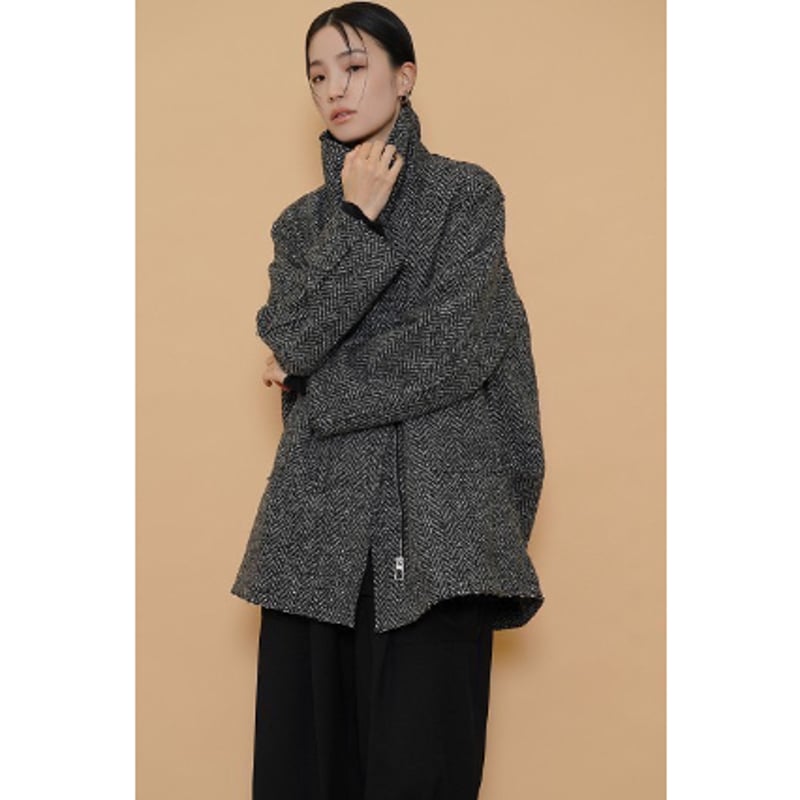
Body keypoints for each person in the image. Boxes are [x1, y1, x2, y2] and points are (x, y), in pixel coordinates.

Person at [231, 3, 547, 798]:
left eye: (354, 65)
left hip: (441, 538)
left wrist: (313, 386)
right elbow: (292, 334)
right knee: (305, 778)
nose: (334, 89)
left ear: (405, 77)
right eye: (317, 76)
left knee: (421, 775)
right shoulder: (302, 227)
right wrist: (355, 216)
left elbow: (452, 352)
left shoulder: (465, 197)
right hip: (313, 539)